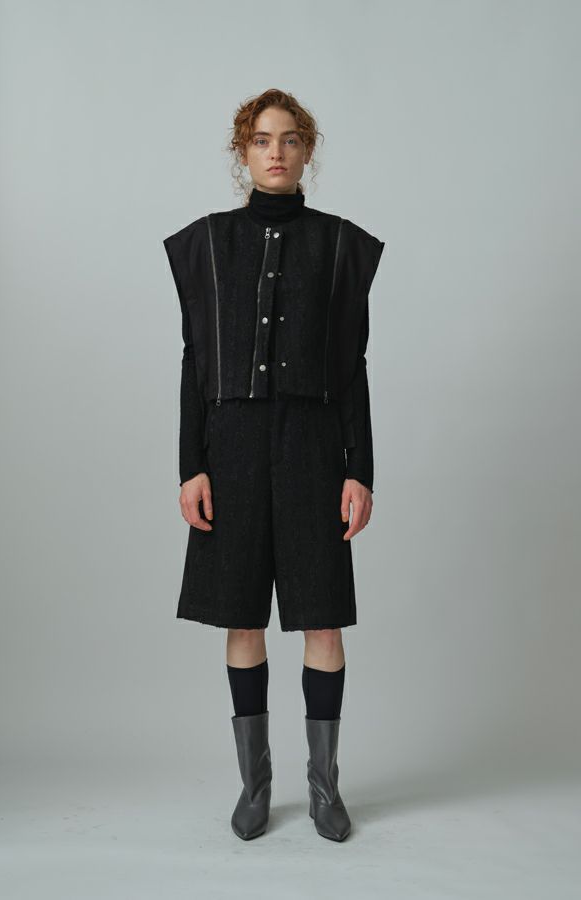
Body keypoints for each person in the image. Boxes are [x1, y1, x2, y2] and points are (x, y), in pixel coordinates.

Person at [163, 88, 384, 842]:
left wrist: (360, 469)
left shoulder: (341, 247)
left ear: (307, 150)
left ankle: (324, 789)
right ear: (243, 152)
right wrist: (190, 466)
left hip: (314, 446)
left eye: (290, 139)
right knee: (241, 616)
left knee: (322, 615)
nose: (277, 152)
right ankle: (255, 787)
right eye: (262, 140)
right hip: (230, 448)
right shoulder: (205, 245)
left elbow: (352, 365)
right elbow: (194, 362)